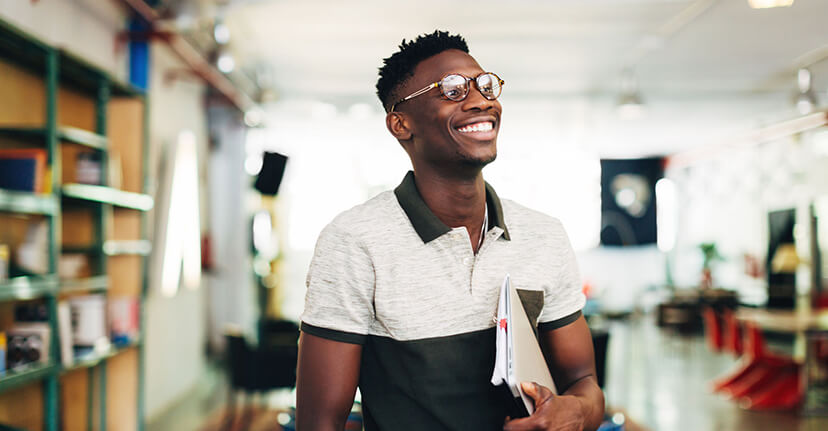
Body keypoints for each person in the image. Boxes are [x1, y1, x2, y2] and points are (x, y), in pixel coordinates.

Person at [296, 30, 604, 431]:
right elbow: (320, 424)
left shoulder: (543, 235)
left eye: (485, 85)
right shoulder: (355, 242)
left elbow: (585, 384)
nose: (481, 100)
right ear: (401, 123)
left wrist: (576, 413)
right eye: (452, 90)